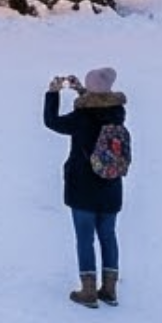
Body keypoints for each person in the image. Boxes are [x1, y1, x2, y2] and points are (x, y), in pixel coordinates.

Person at [44, 67, 127, 308]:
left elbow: (52, 121)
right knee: (108, 236)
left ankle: (88, 291)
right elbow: (97, 105)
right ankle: (109, 289)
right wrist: (82, 90)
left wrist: (53, 93)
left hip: (83, 187)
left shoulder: (81, 118)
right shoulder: (117, 113)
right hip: (111, 186)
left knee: (85, 238)